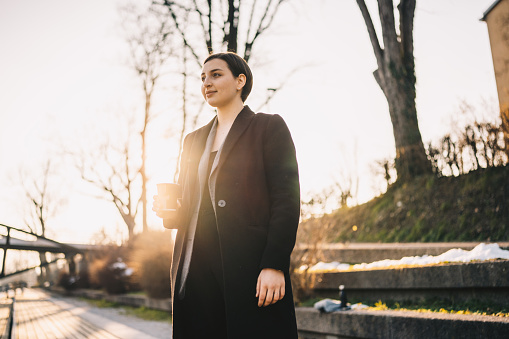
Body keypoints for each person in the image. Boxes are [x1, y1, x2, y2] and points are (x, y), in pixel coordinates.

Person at [153, 51, 300, 339]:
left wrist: (274, 264)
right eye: (203, 77)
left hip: (248, 268)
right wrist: (169, 211)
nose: (207, 82)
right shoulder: (192, 140)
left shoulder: (268, 128)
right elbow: (189, 207)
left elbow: (287, 200)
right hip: (195, 270)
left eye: (216, 74)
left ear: (240, 81)